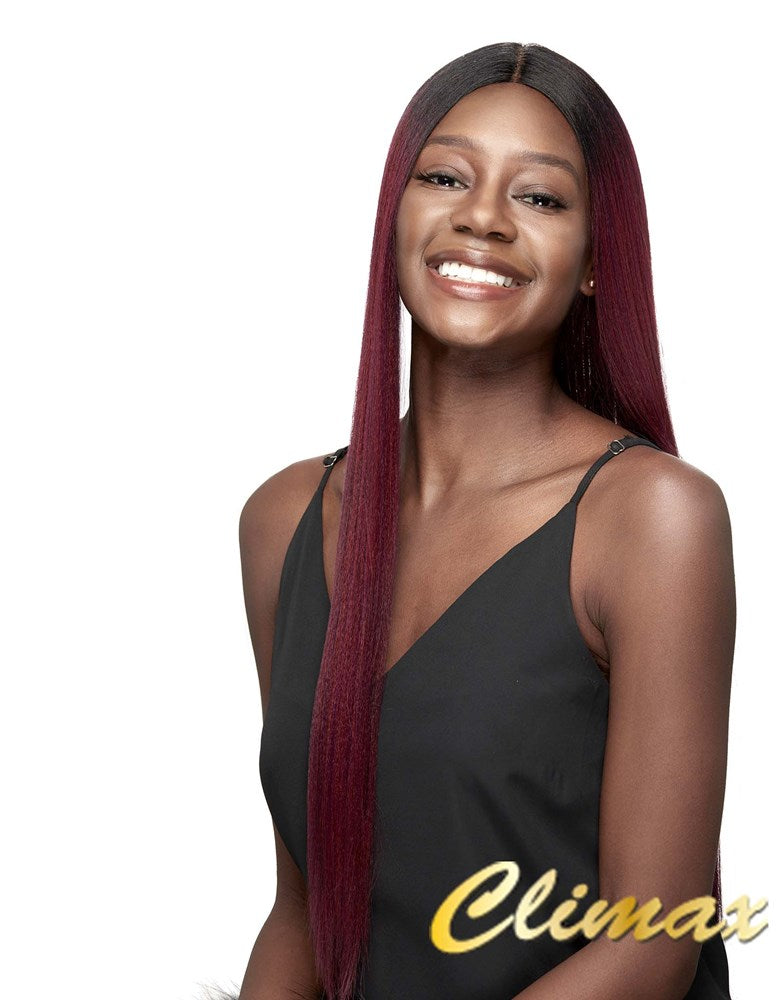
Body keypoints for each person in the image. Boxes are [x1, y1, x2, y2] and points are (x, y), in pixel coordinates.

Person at [237, 42, 736, 1000]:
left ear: (596, 262)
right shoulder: (284, 520)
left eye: (539, 197)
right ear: (393, 218)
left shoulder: (651, 519)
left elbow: (650, 946)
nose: (483, 217)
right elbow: (303, 912)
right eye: (445, 178)